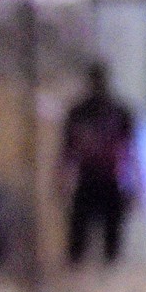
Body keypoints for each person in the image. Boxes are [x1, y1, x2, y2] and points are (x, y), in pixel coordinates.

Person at [57, 61, 140, 265]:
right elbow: (67, 153)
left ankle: (101, 276)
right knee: (80, 245)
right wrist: (61, 182)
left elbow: (130, 151)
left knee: (109, 245)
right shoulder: (80, 112)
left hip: (108, 180)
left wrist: (136, 184)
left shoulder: (118, 112)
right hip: (89, 180)